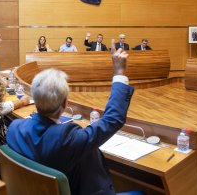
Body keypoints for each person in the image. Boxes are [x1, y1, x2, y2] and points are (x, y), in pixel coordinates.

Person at [7, 48, 134, 195]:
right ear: (65, 104)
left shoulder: (14, 128)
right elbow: (112, 119)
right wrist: (119, 74)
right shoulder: (67, 139)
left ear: (34, 100)